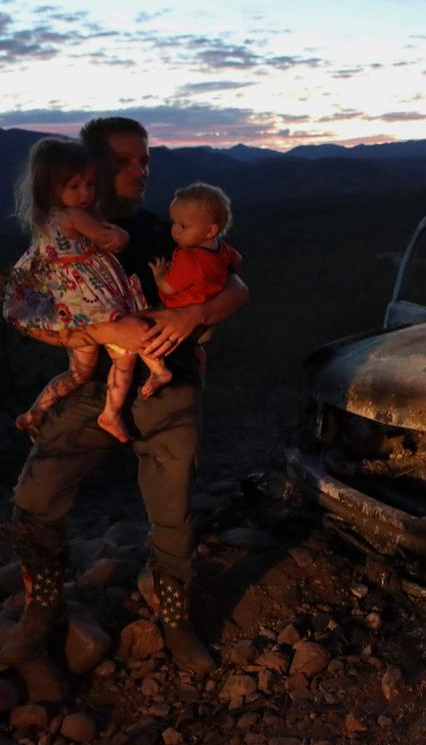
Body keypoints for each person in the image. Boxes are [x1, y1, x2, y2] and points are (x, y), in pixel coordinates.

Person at [0, 117, 249, 675]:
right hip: (95, 388)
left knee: (173, 511)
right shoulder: (57, 238)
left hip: (167, 384)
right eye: (126, 161)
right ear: (87, 170)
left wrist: (195, 314)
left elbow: (237, 284)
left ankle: (176, 615)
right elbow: (23, 313)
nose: (140, 171)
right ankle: (42, 612)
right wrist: (97, 333)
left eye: (145, 162)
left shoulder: (159, 230)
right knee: (36, 497)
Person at [3, 138, 172, 444]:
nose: (85, 193)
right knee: (125, 351)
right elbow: (112, 241)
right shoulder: (75, 216)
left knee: (79, 373)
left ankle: (34, 412)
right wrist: (120, 232)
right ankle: (112, 412)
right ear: (51, 188)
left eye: (90, 185)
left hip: (72, 308)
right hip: (95, 299)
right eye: (75, 186)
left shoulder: (46, 220)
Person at [149, 182, 242, 378]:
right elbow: (237, 261)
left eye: (183, 226)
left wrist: (159, 273)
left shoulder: (188, 257)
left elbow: (168, 288)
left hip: (178, 314)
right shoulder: (221, 248)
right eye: (173, 222)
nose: (174, 230)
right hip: (207, 321)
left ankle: (157, 372)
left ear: (210, 231)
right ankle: (196, 356)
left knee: (144, 332)